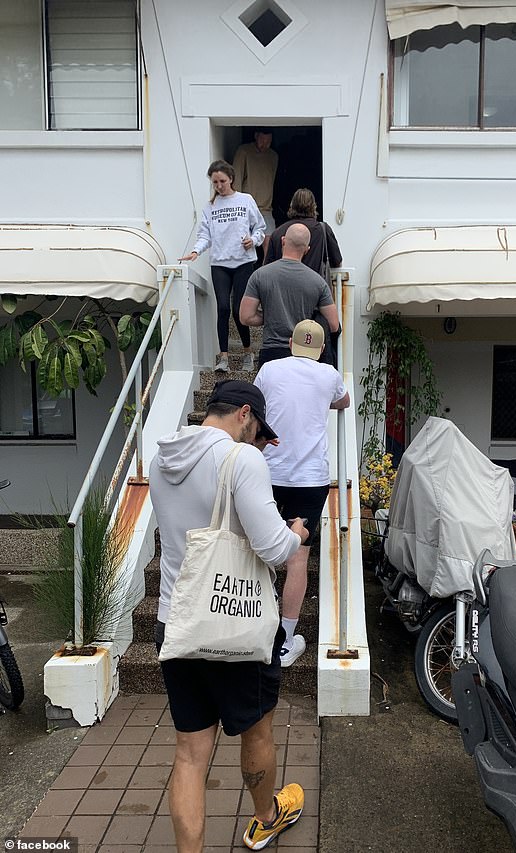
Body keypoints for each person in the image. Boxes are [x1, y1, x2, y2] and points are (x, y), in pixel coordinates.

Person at [149, 380, 309, 852]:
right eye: (258, 430)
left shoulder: (163, 459)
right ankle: (264, 818)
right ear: (244, 414)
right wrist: (295, 533)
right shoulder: (241, 460)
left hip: (177, 620)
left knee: (190, 754)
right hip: (234, 621)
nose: (258, 442)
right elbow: (272, 547)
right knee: (256, 728)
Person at [254, 320, 350, 665]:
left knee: (259, 549)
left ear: (290, 344)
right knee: (298, 559)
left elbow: (257, 404)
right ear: (321, 349)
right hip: (310, 479)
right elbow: (345, 402)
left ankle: (255, 627)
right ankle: (286, 639)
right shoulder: (328, 374)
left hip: (268, 473)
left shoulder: (268, 369)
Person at [180, 160, 264, 373]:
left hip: (243, 261)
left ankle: (247, 352)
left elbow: (260, 228)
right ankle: (224, 357)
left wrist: (252, 240)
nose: (218, 185)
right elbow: (204, 235)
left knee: (239, 310)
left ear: (231, 179)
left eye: (222, 181)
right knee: (223, 308)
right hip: (220, 263)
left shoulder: (245, 200)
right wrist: (195, 251)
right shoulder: (210, 207)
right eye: (215, 182)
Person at [239, 223, 340, 367]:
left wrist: (270, 316)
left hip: (271, 353)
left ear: (283, 241)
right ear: (307, 250)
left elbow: (245, 317)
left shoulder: (259, 275)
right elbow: (333, 325)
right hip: (305, 353)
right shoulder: (318, 282)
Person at [264, 188, 342, 273]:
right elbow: (337, 262)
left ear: (291, 206)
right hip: (313, 284)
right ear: (314, 206)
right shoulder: (323, 229)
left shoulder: (277, 232)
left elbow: (268, 267)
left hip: (282, 283)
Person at [233, 128, 278, 257]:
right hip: (247, 207)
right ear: (256, 136)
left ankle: (266, 272)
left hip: (266, 208)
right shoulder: (244, 152)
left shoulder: (273, 156)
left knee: (269, 245)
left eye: (268, 141)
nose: (265, 145)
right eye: (263, 140)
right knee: (245, 243)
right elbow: (237, 179)